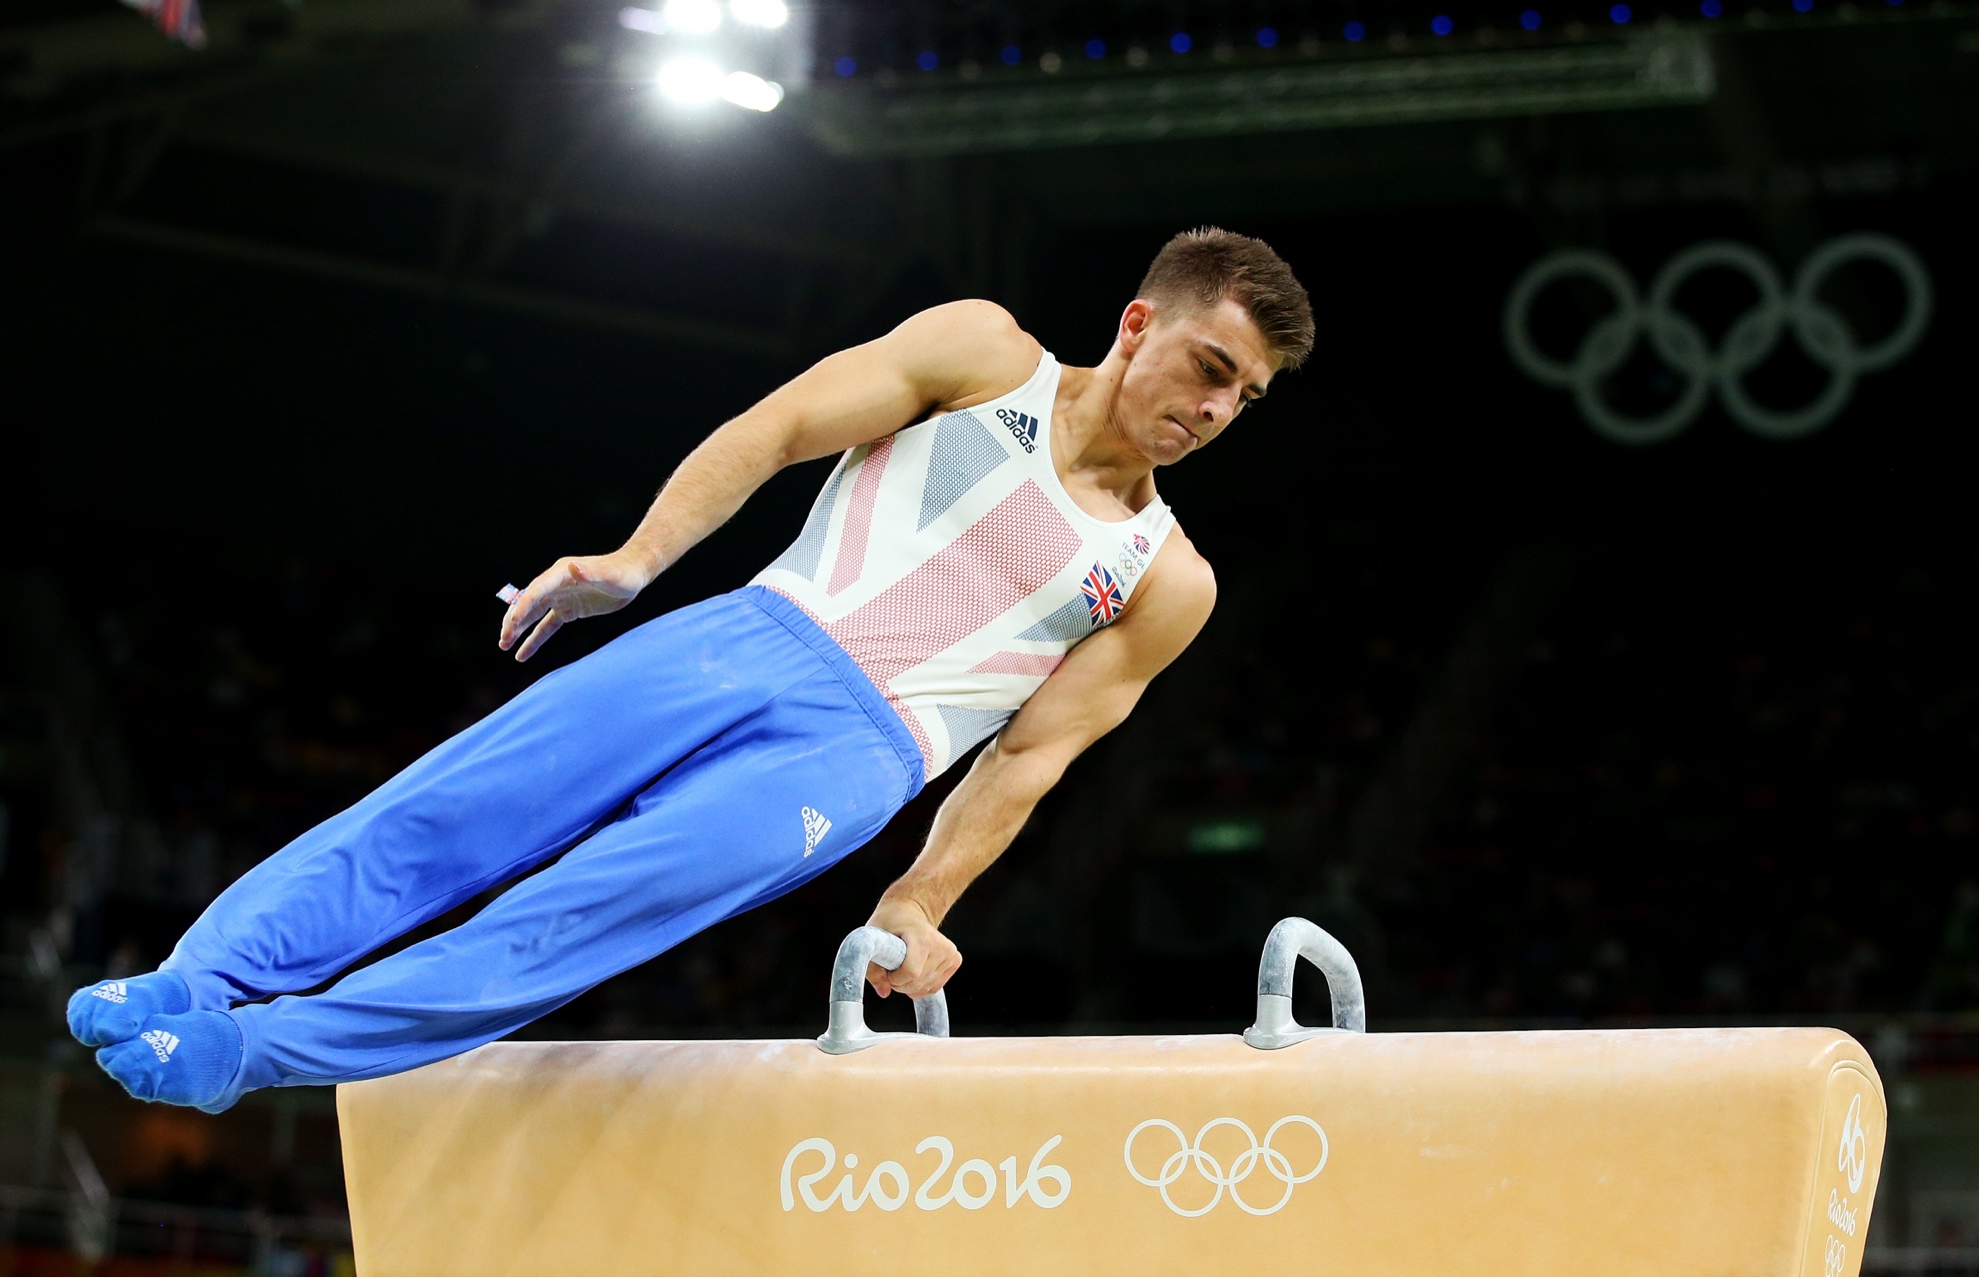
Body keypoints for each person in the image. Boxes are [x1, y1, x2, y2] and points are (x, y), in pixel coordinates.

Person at [69, 227, 1314, 1111]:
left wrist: (921, 898)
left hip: (856, 756)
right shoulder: (984, 353)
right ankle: (194, 982)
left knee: (565, 924)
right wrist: (634, 561)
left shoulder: (1166, 581)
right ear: (1138, 322)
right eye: (1209, 368)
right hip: (741, 632)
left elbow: (1032, 755)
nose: (1215, 409)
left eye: (1245, 398)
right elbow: (775, 427)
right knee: (442, 817)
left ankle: (252, 1056)